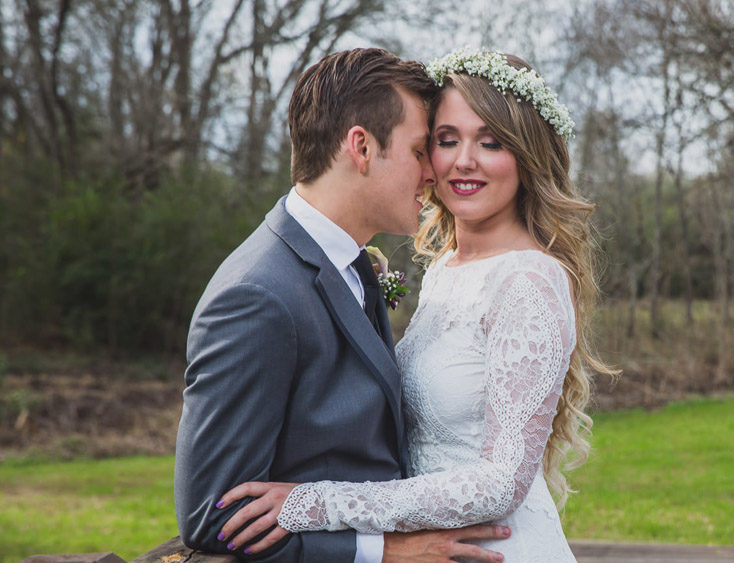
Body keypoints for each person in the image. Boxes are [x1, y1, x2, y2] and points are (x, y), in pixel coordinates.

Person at [212, 48, 616, 561]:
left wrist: (315, 504)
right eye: (445, 141)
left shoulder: (529, 279)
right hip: (434, 547)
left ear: (526, 154)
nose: (463, 161)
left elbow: (498, 484)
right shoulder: (445, 268)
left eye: (490, 142)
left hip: (497, 549)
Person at [173, 48, 510, 563]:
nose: (432, 174)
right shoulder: (256, 296)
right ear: (362, 147)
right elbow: (213, 516)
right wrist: (382, 551)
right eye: (420, 151)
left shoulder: (354, 263)